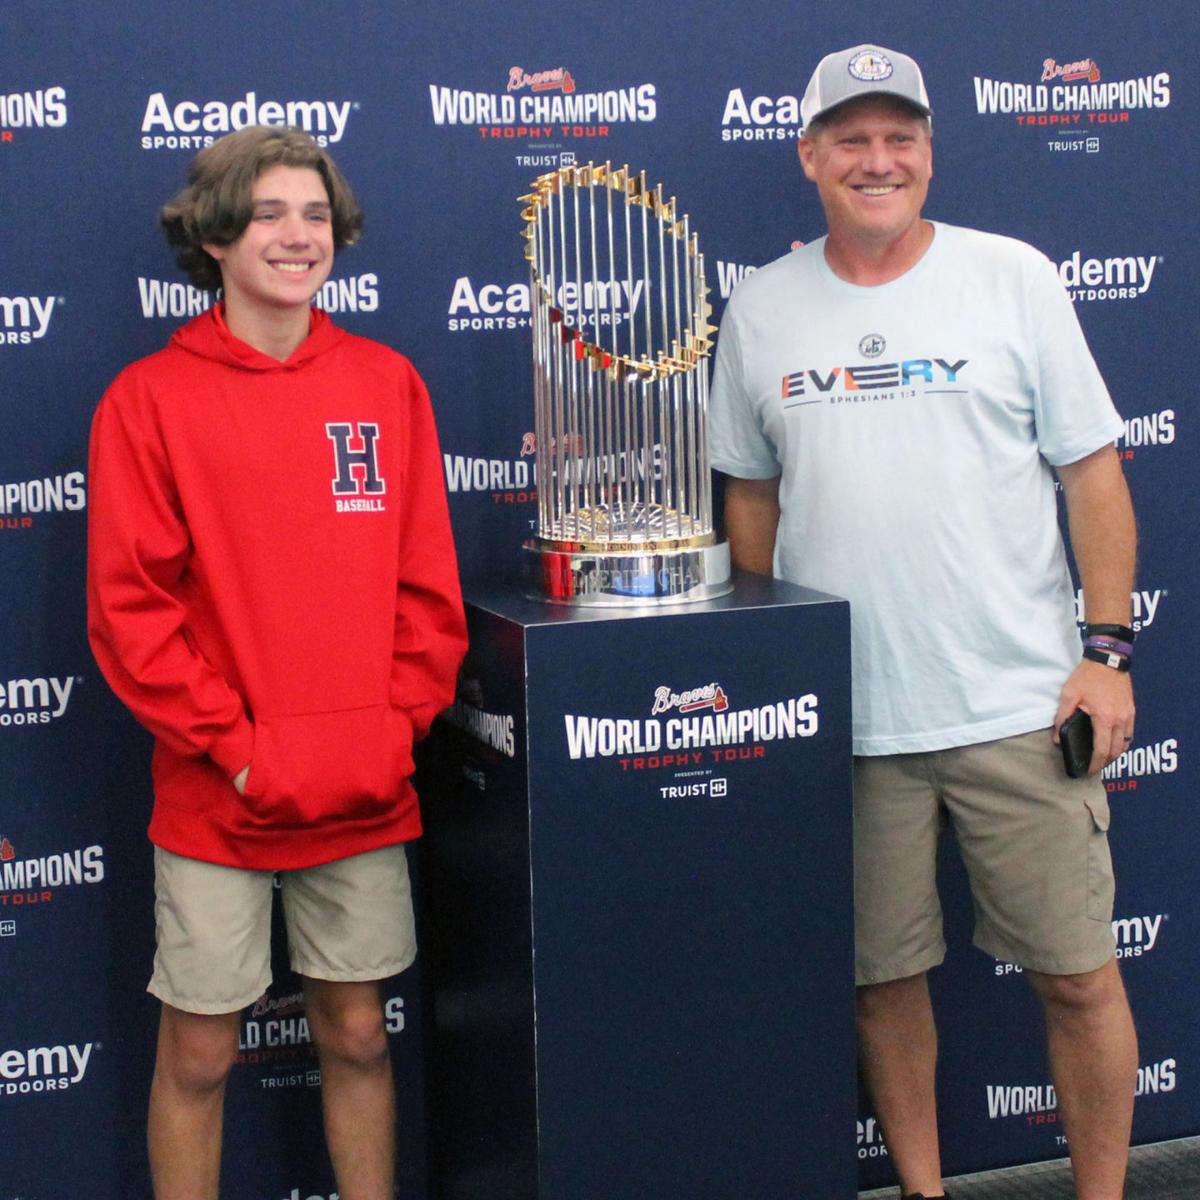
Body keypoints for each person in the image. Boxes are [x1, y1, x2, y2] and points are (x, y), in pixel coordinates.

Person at [709, 44, 1138, 1200]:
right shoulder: (760, 306)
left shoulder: (1014, 278)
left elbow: (1093, 474)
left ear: (933, 152)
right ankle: (923, 1190)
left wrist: (1105, 656)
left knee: (1081, 979)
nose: (877, 159)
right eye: (851, 138)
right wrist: (773, 655)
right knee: (880, 981)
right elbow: (749, 494)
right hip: (848, 720)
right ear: (809, 156)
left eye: (901, 136)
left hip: (1018, 703)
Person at [87, 125, 468, 1200]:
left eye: (313, 215)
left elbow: (426, 589)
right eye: (266, 214)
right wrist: (240, 751)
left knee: (355, 1032)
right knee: (201, 1050)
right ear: (213, 235)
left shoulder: (387, 384)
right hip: (222, 789)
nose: (296, 237)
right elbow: (132, 612)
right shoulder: (148, 402)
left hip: (361, 780)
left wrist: (391, 730)